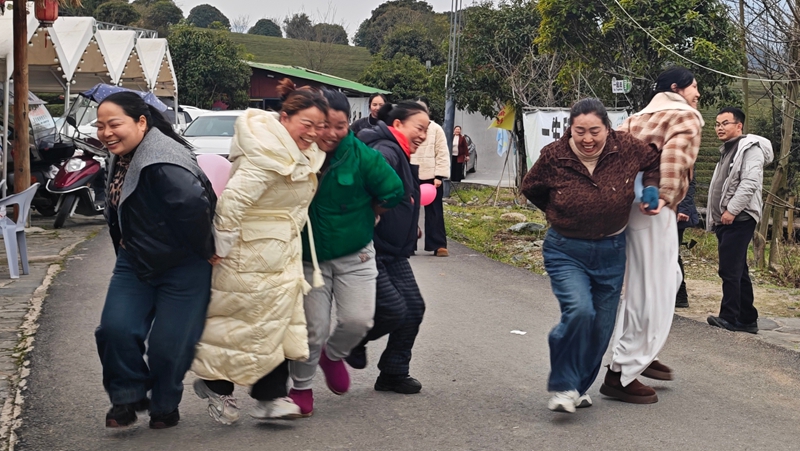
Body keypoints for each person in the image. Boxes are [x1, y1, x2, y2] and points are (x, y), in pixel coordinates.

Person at [191, 79, 328, 424]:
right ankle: (215, 384)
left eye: (319, 126)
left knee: (277, 324)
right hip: (248, 252)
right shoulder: (268, 152)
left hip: (280, 251)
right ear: (285, 118)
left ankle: (269, 397)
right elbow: (234, 201)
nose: (312, 133)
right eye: (306, 124)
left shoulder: (300, 152)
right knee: (241, 323)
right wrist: (220, 246)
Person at [521, 98, 661, 413]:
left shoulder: (625, 147)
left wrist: (651, 189)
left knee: (601, 328)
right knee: (580, 312)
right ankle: (564, 384)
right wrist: (557, 211)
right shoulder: (554, 156)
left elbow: (653, 161)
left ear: (606, 129)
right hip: (566, 250)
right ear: (570, 128)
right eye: (579, 131)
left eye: (594, 131)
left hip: (611, 252)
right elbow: (531, 187)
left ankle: (577, 388)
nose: (587, 138)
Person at [94, 92, 217, 429]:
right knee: (116, 329)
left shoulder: (161, 161)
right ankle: (127, 395)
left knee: (169, 345)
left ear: (141, 122)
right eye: (100, 125)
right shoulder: (120, 155)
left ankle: (164, 404)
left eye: (114, 124)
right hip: (134, 260)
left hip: (185, 265)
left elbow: (194, 205)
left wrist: (206, 250)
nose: (106, 133)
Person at [287, 90, 405, 416]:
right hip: (309, 258)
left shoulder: (361, 156)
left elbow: (394, 190)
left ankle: (334, 355)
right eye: (325, 125)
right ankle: (301, 388)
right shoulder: (295, 152)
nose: (332, 134)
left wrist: (372, 212)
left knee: (359, 320)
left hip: (357, 255)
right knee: (313, 329)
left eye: (340, 126)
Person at [602, 67, 704, 404]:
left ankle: (641, 352)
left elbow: (611, 156)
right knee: (653, 288)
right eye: (694, 87)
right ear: (676, 88)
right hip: (654, 208)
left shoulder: (633, 119)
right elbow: (674, 160)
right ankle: (622, 370)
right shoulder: (685, 116)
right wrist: (664, 196)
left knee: (664, 279)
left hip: (627, 207)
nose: (698, 94)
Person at [350, 101, 429, 394]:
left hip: (393, 249)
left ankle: (394, 373)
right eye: (418, 128)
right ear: (398, 125)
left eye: (426, 129)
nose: (422, 134)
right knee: (394, 310)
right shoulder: (387, 150)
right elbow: (370, 187)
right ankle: (348, 341)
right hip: (373, 249)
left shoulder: (399, 152)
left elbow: (400, 198)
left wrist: (409, 225)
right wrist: (373, 215)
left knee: (414, 308)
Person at [706, 107, 773, 333]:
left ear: (739, 126)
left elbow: (749, 183)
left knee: (729, 270)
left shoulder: (749, 149)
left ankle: (729, 317)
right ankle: (747, 318)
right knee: (738, 269)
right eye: (717, 124)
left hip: (739, 218)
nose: (719, 128)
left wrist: (732, 210)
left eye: (725, 123)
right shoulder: (728, 149)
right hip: (726, 220)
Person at [409, 97, 451, 257]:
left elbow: (442, 153)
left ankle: (438, 244)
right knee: (409, 212)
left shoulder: (436, 129)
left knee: (435, 213)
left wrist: (440, 175)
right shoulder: (408, 128)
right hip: (411, 175)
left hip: (432, 177)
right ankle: (408, 244)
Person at [676, 171, 699, 308]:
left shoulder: (682, 151)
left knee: (672, 254)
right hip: (663, 210)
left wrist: (683, 208)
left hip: (677, 211)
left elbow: (689, 182)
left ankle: (680, 294)